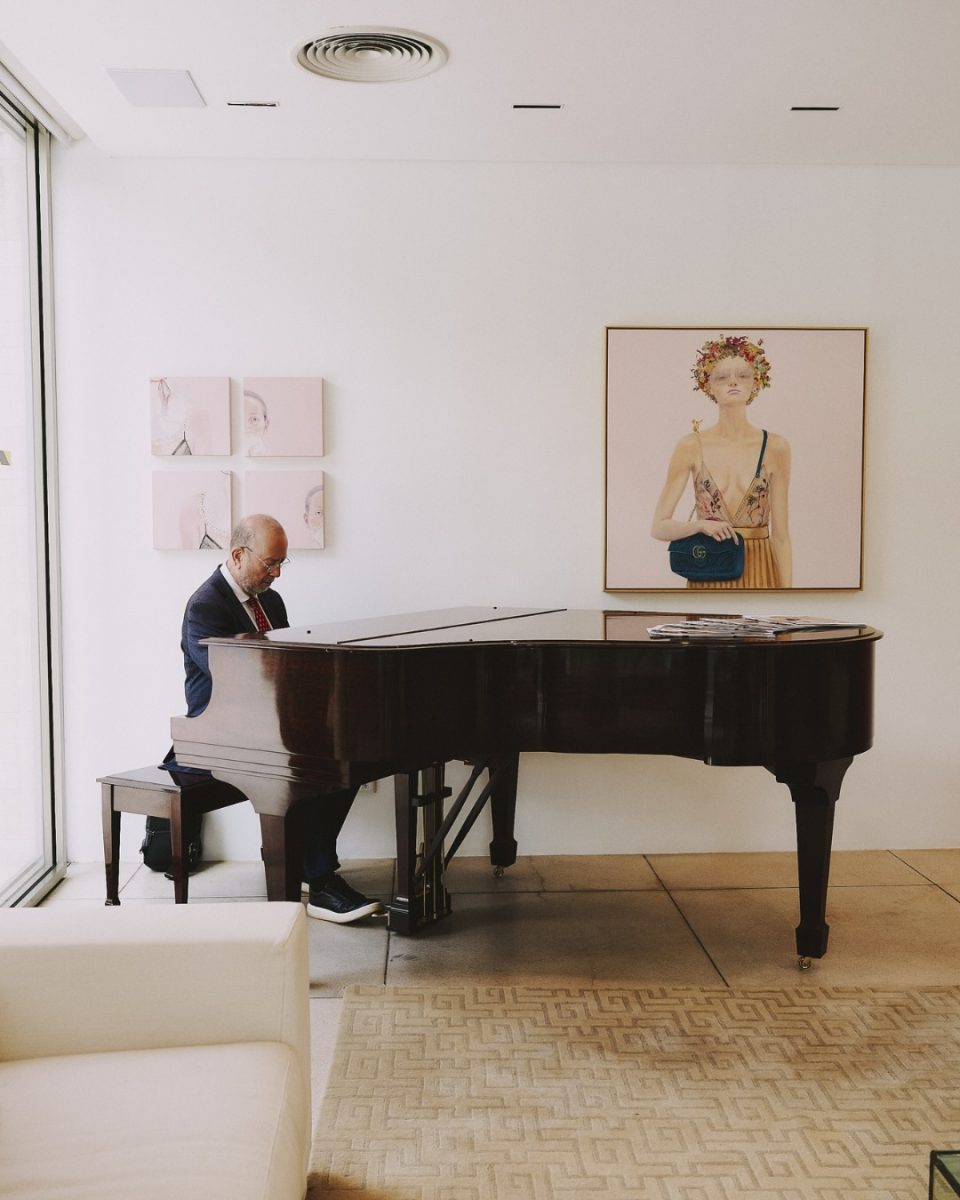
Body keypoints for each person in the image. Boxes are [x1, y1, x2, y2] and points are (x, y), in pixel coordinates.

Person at [166, 513, 382, 922]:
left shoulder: (270, 600)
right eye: (270, 563)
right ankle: (318, 879)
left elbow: (287, 663)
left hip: (266, 721)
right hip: (219, 731)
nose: (277, 574)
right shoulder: (205, 606)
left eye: (283, 563)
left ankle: (309, 867)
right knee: (317, 761)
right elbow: (233, 679)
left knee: (354, 753)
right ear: (237, 555)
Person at [650, 334, 792, 589]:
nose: (733, 382)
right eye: (722, 377)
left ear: (756, 382)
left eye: (743, 375)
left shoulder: (776, 447)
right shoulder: (690, 446)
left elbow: (781, 536)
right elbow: (659, 527)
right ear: (708, 386)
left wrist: (788, 599)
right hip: (709, 569)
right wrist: (698, 526)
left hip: (760, 571)